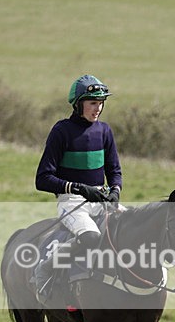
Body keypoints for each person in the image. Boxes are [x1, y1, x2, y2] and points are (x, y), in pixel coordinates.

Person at [32, 74, 123, 299]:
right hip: (72, 203)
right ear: (78, 104)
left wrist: (115, 191)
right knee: (91, 238)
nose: (98, 108)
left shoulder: (105, 131)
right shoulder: (61, 131)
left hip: (101, 201)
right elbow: (42, 179)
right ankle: (46, 268)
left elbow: (114, 171)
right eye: (93, 102)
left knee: (133, 228)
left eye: (101, 102)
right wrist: (79, 189)